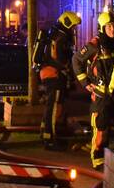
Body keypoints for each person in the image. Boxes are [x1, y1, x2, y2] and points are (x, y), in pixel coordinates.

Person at [72, 9, 114, 168]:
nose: (112, 30)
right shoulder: (95, 45)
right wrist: (85, 83)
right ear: (102, 28)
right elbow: (76, 60)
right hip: (101, 96)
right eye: (108, 27)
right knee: (101, 128)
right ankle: (98, 160)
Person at [33, 11, 81, 150]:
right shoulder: (59, 37)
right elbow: (59, 60)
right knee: (53, 107)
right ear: (67, 23)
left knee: (53, 106)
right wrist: (67, 71)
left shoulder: (56, 34)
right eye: (72, 26)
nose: (73, 30)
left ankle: (45, 133)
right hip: (53, 75)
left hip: (51, 74)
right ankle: (49, 139)